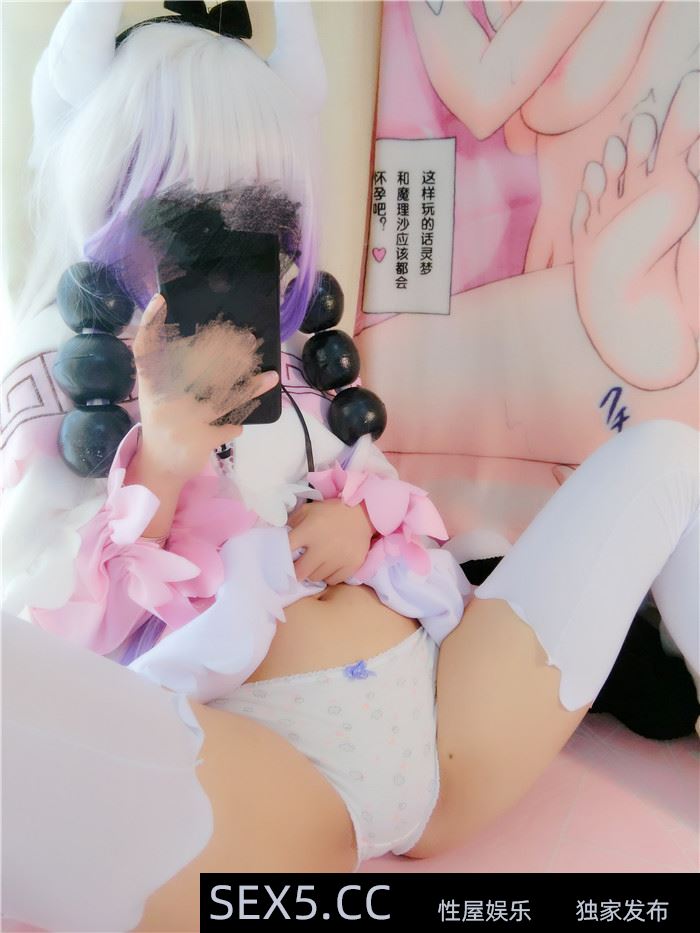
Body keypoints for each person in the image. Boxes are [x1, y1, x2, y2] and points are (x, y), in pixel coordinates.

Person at [2, 4, 698, 931]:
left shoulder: (300, 362)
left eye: (258, 202)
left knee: (670, 455)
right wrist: (162, 463)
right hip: (276, 795)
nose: (228, 232)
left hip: (453, 729)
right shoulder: (60, 381)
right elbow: (61, 636)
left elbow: (398, 507)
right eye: (188, 201)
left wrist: (360, 522)